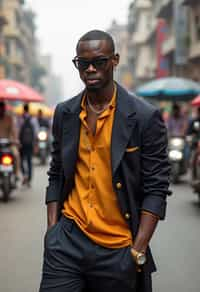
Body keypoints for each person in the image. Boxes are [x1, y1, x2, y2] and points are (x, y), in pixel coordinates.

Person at [39, 30, 171, 292]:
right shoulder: (65, 112)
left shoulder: (144, 117)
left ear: (115, 60)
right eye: (82, 63)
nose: (90, 69)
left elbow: (156, 188)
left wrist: (137, 249)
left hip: (118, 249)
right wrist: (52, 232)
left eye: (99, 62)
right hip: (66, 242)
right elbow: (56, 173)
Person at [0, 101, 20, 179]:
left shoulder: (9, 118)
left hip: (9, 143)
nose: (1, 110)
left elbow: (14, 130)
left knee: (16, 155)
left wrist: (15, 140)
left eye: (2, 108)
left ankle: (16, 173)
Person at [19, 103, 37, 186]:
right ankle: (29, 178)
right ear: (28, 109)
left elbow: (17, 130)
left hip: (21, 144)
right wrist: (35, 144)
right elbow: (36, 132)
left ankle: (24, 175)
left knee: (21, 160)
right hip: (30, 144)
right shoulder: (33, 119)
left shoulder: (20, 119)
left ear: (23, 109)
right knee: (29, 161)